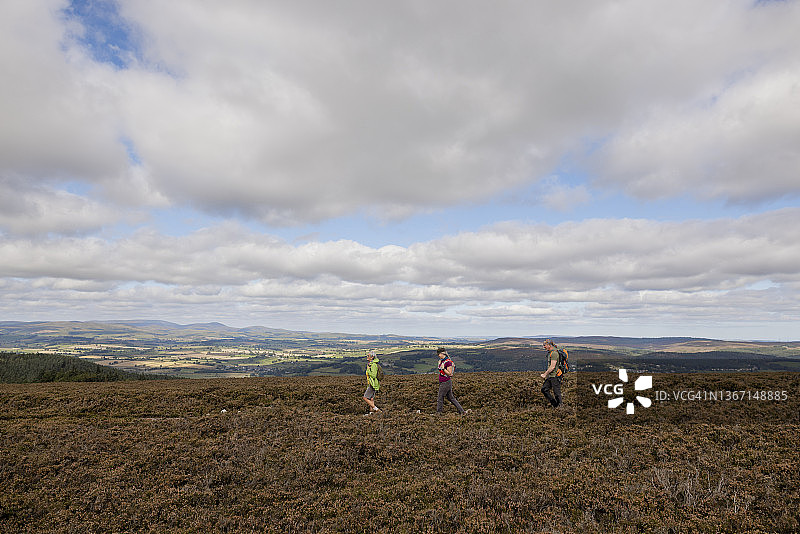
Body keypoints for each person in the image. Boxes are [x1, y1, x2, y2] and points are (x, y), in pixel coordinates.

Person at [437, 347, 465, 415]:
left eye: (438, 354)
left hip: (446, 382)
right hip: (443, 382)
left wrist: (443, 369)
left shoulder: (448, 362)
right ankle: (462, 411)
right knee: (451, 398)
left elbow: (450, 374)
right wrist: (439, 364)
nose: (438, 355)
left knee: (440, 398)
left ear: (442, 353)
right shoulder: (441, 361)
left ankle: (438, 413)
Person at [540, 339, 562, 408]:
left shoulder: (554, 353)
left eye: (545, 345)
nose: (544, 347)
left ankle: (560, 408)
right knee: (544, 389)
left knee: (557, 393)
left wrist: (545, 374)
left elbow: (552, 367)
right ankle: (555, 405)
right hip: (551, 376)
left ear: (549, 345)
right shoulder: (551, 352)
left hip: (555, 376)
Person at [363, 350, 381, 414]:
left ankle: (377, 409)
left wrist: (368, 370)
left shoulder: (373, 365)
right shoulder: (371, 364)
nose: (367, 357)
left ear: (372, 357)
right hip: (372, 383)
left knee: (365, 397)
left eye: (368, 356)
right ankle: (371, 413)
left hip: (373, 384)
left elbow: (373, 375)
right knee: (371, 399)